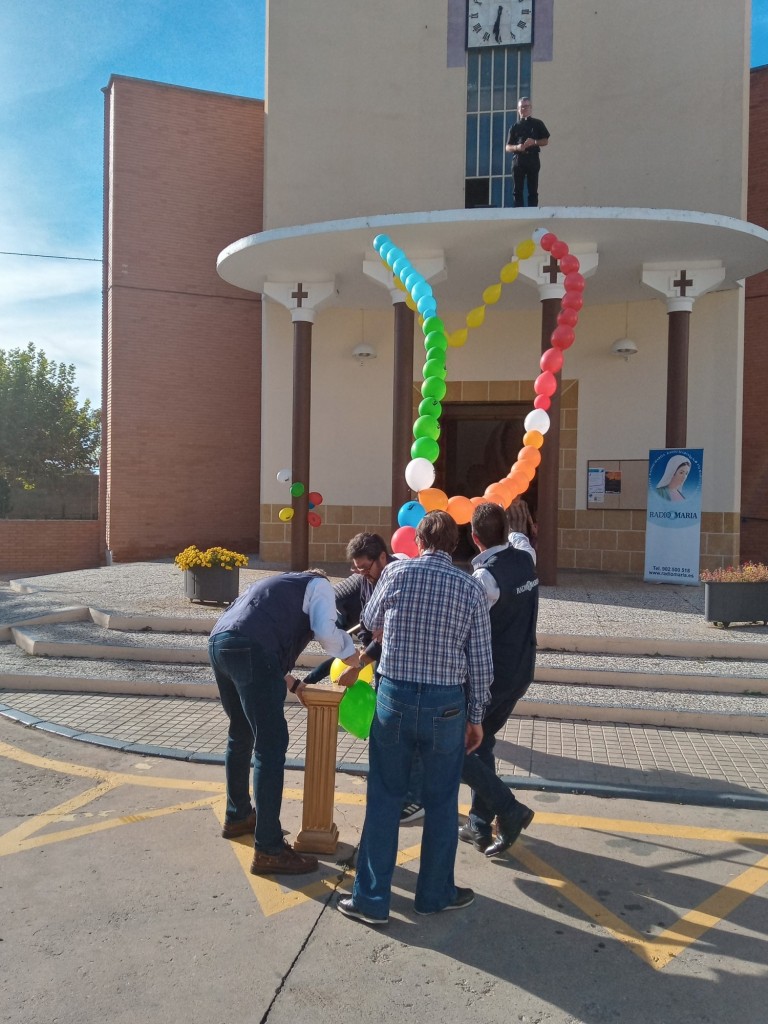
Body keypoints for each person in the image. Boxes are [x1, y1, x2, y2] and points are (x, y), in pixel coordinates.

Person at [337, 511, 494, 925]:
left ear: (418, 541)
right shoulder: (470, 587)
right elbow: (480, 661)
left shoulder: (396, 575)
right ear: (455, 544)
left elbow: (369, 622)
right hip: (446, 706)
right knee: (442, 802)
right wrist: (475, 717)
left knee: (385, 796)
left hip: (397, 699)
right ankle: (434, 894)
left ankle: (371, 900)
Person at [208, 570, 361, 875]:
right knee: (271, 745)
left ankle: (238, 815)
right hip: (250, 648)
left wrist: (295, 686)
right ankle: (269, 849)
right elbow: (325, 632)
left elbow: (261, 643)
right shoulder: (320, 585)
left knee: (240, 733)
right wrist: (352, 655)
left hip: (220, 644)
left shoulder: (277, 587)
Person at [459, 501, 539, 857]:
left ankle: (508, 809)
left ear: (474, 538)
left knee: (459, 746)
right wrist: (517, 526)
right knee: (483, 741)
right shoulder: (526, 557)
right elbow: (521, 538)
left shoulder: (484, 579)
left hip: (492, 677)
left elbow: (466, 627)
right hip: (522, 669)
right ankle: (478, 821)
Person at [303, 532, 393, 686]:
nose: (363, 575)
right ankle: (309, 681)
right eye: (358, 570)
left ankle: (309, 680)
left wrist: (362, 660)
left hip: (394, 652)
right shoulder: (366, 577)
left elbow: (391, 630)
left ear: (382, 557)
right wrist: (366, 641)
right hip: (373, 639)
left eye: (365, 568)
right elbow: (365, 614)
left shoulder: (398, 578)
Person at [505, 97, 550, 208]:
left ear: (531, 108)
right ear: (518, 109)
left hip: (533, 158)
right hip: (519, 160)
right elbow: (507, 147)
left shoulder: (538, 123)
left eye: (526, 106)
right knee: (517, 189)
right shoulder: (514, 127)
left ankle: (533, 211)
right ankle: (518, 211)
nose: (524, 109)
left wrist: (534, 142)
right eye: (522, 107)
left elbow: (545, 141)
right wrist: (517, 147)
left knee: (533, 189)